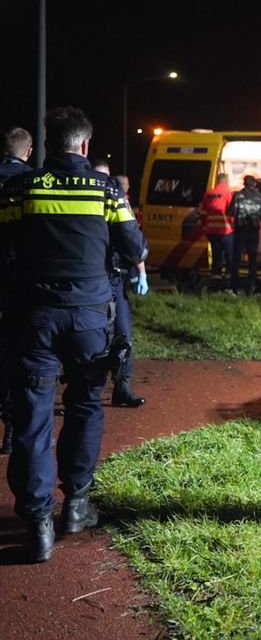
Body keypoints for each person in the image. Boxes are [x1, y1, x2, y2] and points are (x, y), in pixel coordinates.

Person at [0, 106, 147, 563]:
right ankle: (76, 506)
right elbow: (134, 247)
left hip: (34, 317)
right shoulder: (107, 190)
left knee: (32, 416)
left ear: (45, 142)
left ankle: (38, 523)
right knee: (84, 406)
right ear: (84, 145)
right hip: (89, 320)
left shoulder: (20, 187)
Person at [91, 162, 149, 407]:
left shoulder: (116, 202)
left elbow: (134, 244)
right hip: (95, 280)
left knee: (124, 334)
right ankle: (90, 389)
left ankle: (122, 386)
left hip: (116, 278)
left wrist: (141, 273)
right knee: (95, 337)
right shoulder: (88, 205)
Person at [0, 126, 35, 455]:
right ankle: (11, 427)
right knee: (14, 352)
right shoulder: (32, 182)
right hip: (17, 278)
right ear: (28, 151)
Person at [228, 175, 261, 296]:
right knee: (252, 260)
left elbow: (231, 213)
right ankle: (250, 288)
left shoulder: (237, 196)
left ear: (244, 184)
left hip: (240, 230)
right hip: (253, 231)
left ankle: (233, 288)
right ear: (255, 184)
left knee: (236, 260)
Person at [199, 173, 236, 291]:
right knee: (230, 258)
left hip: (212, 231)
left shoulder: (209, 193)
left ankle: (215, 285)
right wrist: (234, 226)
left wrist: (205, 227)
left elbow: (202, 213)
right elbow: (232, 213)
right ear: (226, 182)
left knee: (216, 258)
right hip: (225, 232)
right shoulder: (228, 193)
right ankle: (229, 284)